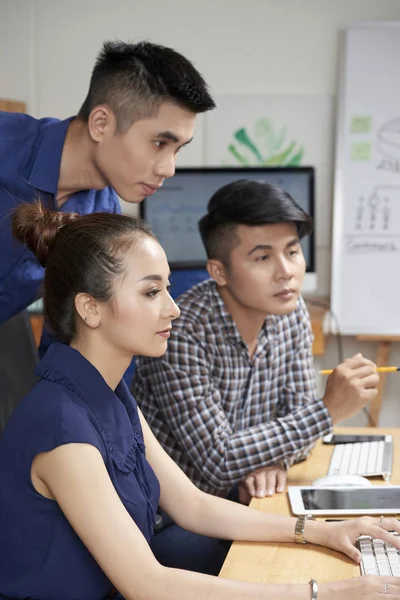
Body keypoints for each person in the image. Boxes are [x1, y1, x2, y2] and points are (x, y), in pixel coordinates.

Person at [0, 201, 398, 600]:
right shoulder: (62, 426)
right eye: (152, 292)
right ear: (90, 308)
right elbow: (148, 585)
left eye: (167, 289)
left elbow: (193, 505)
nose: (173, 309)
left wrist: (319, 530)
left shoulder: (110, 394)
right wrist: (327, 594)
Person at [132, 180, 380, 503]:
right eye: (263, 258)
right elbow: (217, 462)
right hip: (174, 516)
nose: (286, 272)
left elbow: (297, 416)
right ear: (219, 272)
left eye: (292, 251)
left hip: (246, 500)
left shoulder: (291, 312)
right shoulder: (182, 332)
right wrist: (328, 411)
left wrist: (276, 460)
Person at [0, 39, 215, 346]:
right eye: (159, 143)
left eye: (178, 149)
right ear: (101, 124)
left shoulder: (104, 220)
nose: (169, 169)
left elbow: (69, 342)